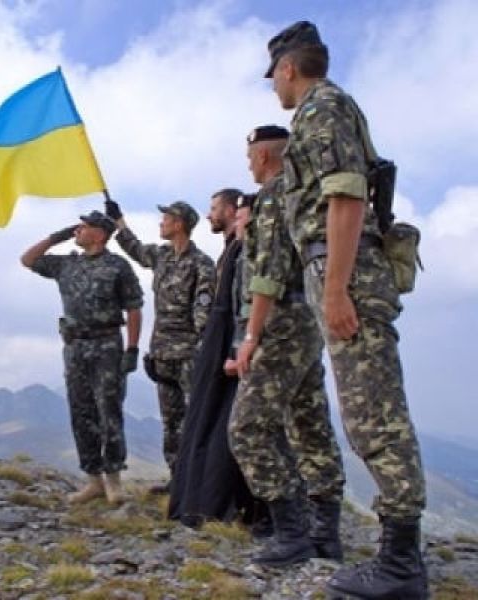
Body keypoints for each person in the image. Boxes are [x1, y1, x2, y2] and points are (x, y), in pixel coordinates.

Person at [265, 21, 427, 598]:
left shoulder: (322, 109)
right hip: (340, 270)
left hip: (347, 273)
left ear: (288, 67)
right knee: (367, 417)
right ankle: (400, 557)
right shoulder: (326, 110)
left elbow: (346, 196)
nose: (274, 87)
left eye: (274, 76)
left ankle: (402, 566)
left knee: (375, 417)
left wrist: (335, 290)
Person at [229, 125, 345, 569]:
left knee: (247, 428)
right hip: (308, 318)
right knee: (309, 423)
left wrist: (252, 335)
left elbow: (270, 272)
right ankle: (325, 535)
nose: (248, 165)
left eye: (249, 157)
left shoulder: (274, 196)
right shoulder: (302, 191)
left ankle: (292, 532)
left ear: (262, 156)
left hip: (281, 321)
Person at [21, 211, 143, 505]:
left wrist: (132, 349)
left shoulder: (117, 266)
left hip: (107, 345)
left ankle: (114, 481)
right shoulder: (67, 264)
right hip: (75, 346)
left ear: (99, 234)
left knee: (109, 412)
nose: (78, 230)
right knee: (81, 413)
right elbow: (27, 259)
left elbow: (134, 308)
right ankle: (93, 481)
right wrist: (58, 236)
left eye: (84, 226)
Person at [104, 198, 216, 494]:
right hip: (162, 355)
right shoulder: (162, 256)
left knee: (196, 418)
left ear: (179, 224)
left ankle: (199, 483)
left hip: (189, 355)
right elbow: (135, 249)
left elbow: (203, 311)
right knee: (171, 420)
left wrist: (203, 351)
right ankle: (178, 480)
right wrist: (118, 220)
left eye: (166, 218)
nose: (161, 223)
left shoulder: (202, 263)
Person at [168, 189, 263, 528]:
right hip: (218, 346)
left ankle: (239, 506)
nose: (210, 215)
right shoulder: (231, 251)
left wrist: (238, 346)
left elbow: (246, 304)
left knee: (233, 427)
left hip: (232, 347)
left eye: (215, 208)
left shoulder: (246, 253)